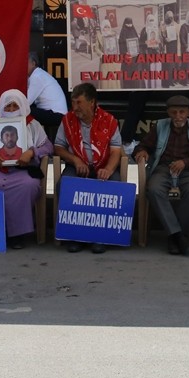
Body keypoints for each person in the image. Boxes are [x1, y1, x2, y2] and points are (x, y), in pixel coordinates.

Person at [0, 89, 53, 249]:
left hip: (23, 171)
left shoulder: (32, 125)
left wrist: (31, 152)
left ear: (23, 106)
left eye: (15, 106)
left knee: (27, 185)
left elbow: (48, 147)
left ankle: (17, 235)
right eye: (7, 106)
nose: (10, 110)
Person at [133, 94, 189, 256]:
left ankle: (176, 237)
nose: (178, 116)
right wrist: (142, 152)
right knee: (154, 189)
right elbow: (143, 145)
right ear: (168, 113)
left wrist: (185, 162)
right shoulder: (160, 126)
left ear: (188, 113)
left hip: (188, 170)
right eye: (174, 112)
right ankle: (178, 236)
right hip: (164, 169)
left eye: (182, 112)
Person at [54, 82, 123, 253]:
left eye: (79, 103)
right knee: (64, 185)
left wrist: (108, 169)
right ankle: (76, 236)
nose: (75, 107)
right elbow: (58, 147)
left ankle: (101, 237)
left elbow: (116, 151)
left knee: (114, 185)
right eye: (73, 102)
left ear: (92, 103)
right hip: (77, 166)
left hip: (103, 165)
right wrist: (75, 160)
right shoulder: (67, 120)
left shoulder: (109, 121)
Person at [25, 52, 67, 128]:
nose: (23, 66)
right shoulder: (37, 75)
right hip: (55, 114)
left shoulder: (37, 76)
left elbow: (26, 102)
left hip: (56, 115)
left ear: (33, 63)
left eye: (26, 63)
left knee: (24, 110)